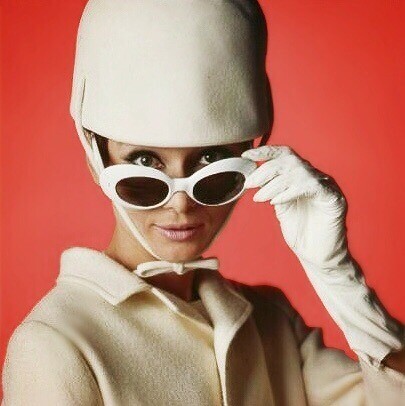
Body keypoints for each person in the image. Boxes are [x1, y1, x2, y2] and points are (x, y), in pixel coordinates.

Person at [2, 0, 405, 405]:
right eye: (144, 164)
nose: (181, 203)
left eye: (212, 162)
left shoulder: (271, 322)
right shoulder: (54, 347)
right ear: (96, 160)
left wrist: (335, 272)